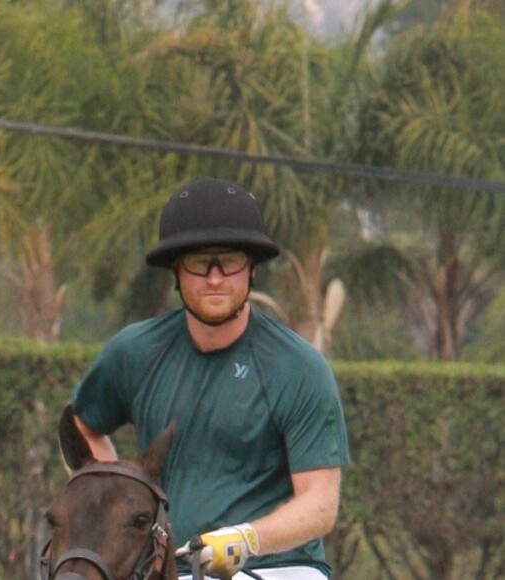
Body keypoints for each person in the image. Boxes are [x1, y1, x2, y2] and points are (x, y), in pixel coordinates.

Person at [70, 177, 350, 579]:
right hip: (166, 570)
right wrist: (115, 498)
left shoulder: (300, 368)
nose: (215, 278)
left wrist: (246, 539)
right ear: (176, 271)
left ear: (251, 269)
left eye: (230, 261)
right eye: (201, 263)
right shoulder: (133, 353)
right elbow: (82, 426)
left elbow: (320, 504)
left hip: (281, 568)